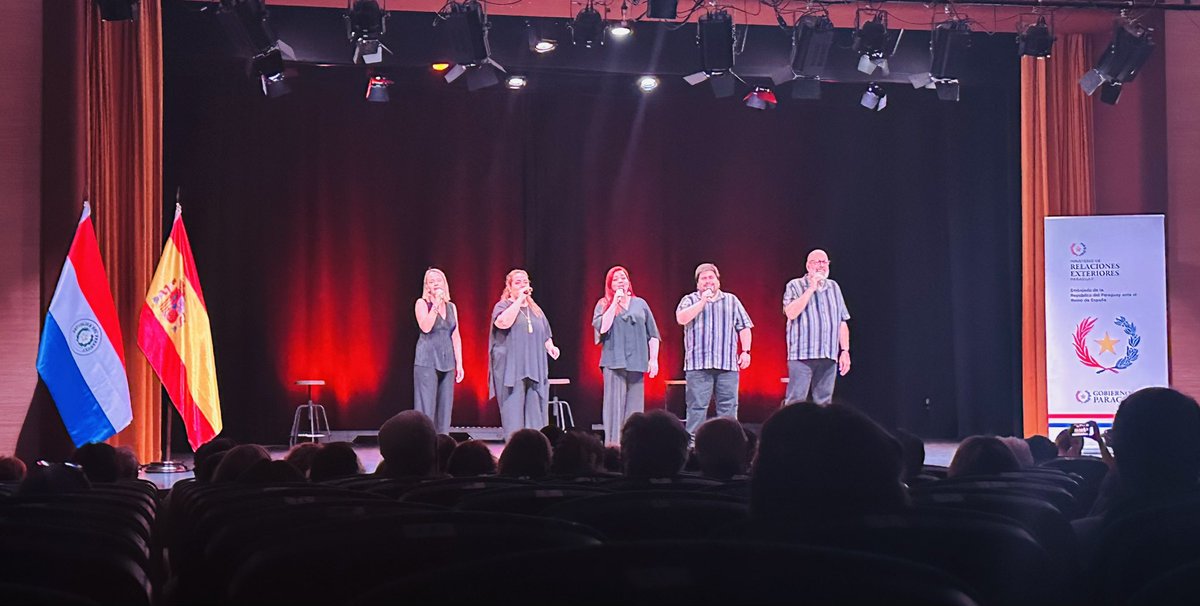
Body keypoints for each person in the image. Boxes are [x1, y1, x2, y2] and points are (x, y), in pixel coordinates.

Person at [676, 263, 753, 438]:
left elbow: (745, 327)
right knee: (697, 409)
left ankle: (729, 444)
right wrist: (703, 301)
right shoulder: (689, 300)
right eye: (703, 278)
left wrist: (746, 351)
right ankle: (693, 449)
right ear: (698, 284)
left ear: (718, 281)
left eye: (711, 277)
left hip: (727, 365)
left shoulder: (731, 300)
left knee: (728, 409)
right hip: (698, 365)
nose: (708, 281)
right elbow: (681, 318)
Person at [593, 266, 661, 445]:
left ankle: (633, 448)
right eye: (616, 279)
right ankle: (613, 447)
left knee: (635, 412)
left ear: (629, 282)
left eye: (623, 277)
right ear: (610, 285)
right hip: (614, 363)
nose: (621, 280)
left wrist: (653, 359)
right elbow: (603, 328)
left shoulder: (640, 304)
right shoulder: (604, 304)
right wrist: (614, 303)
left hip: (637, 363)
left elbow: (653, 334)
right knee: (614, 410)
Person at [490, 269, 560, 440]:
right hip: (512, 368)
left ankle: (536, 450)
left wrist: (551, 347)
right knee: (513, 412)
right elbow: (503, 323)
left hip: (534, 366)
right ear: (510, 287)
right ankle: (515, 452)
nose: (523, 285)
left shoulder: (536, 310)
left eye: (525, 282)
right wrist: (519, 299)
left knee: (536, 413)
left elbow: (545, 334)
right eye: (518, 282)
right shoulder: (503, 306)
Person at [782, 249, 850, 405]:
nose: (821, 266)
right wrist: (811, 289)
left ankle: (821, 430)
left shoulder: (834, 287)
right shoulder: (795, 285)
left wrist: (845, 351)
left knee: (824, 404)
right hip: (802, 355)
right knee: (796, 401)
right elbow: (791, 313)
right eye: (817, 262)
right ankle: (790, 429)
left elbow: (842, 320)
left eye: (824, 262)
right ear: (808, 265)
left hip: (828, 355)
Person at [414, 268, 463, 434]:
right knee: (426, 408)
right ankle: (423, 445)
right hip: (427, 360)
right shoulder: (422, 304)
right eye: (431, 281)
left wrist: (460, 364)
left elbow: (456, 336)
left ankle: (443, 444)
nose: (435, 283)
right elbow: (426, 327)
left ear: (444, 283)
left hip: (447, 361)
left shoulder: (451, 307)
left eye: (438, 280)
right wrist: (435, 305)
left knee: (445, 409)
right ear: (426, 286)